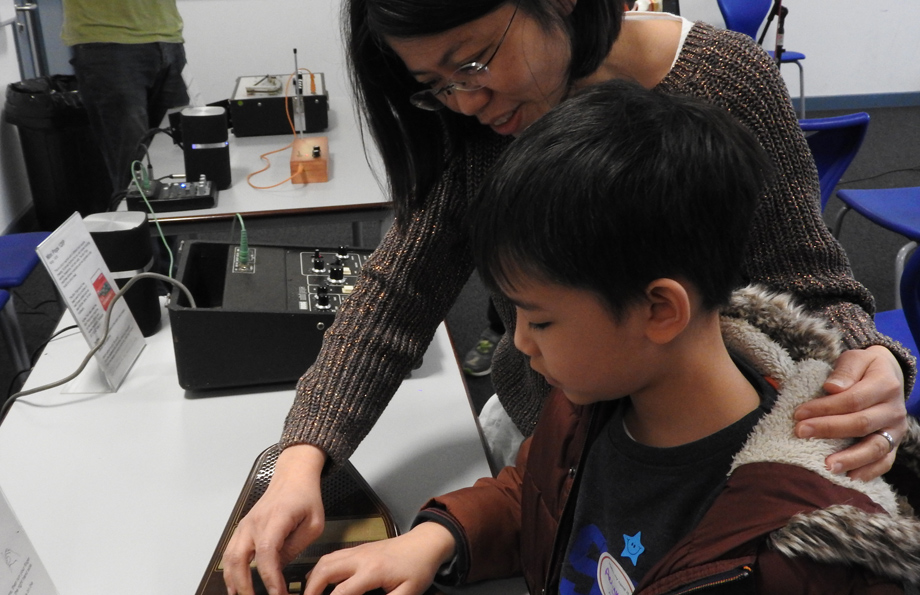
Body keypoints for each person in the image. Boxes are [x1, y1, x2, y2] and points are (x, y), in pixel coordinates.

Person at [222, 0, 914, 592]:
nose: (464, 102)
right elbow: (394, 295)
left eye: (472, 64)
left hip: (702, 456)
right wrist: (301, 457)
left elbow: (812, 288)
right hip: (566, 435)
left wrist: (868, 361)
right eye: (433, 86)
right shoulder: (474, 129)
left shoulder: (724, 82)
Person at [303, 82, 920, 595]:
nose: (518, 345)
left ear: (659, 310)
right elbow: (537, 495)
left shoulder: (810, 554)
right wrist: (436, 538)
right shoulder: (590, 399)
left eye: (539, 320)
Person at [55, 0, 190, 202]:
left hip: (166, 39)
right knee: (134, 171)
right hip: (108, 45)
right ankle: (137, 241)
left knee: (181, 162)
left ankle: (176, 241)